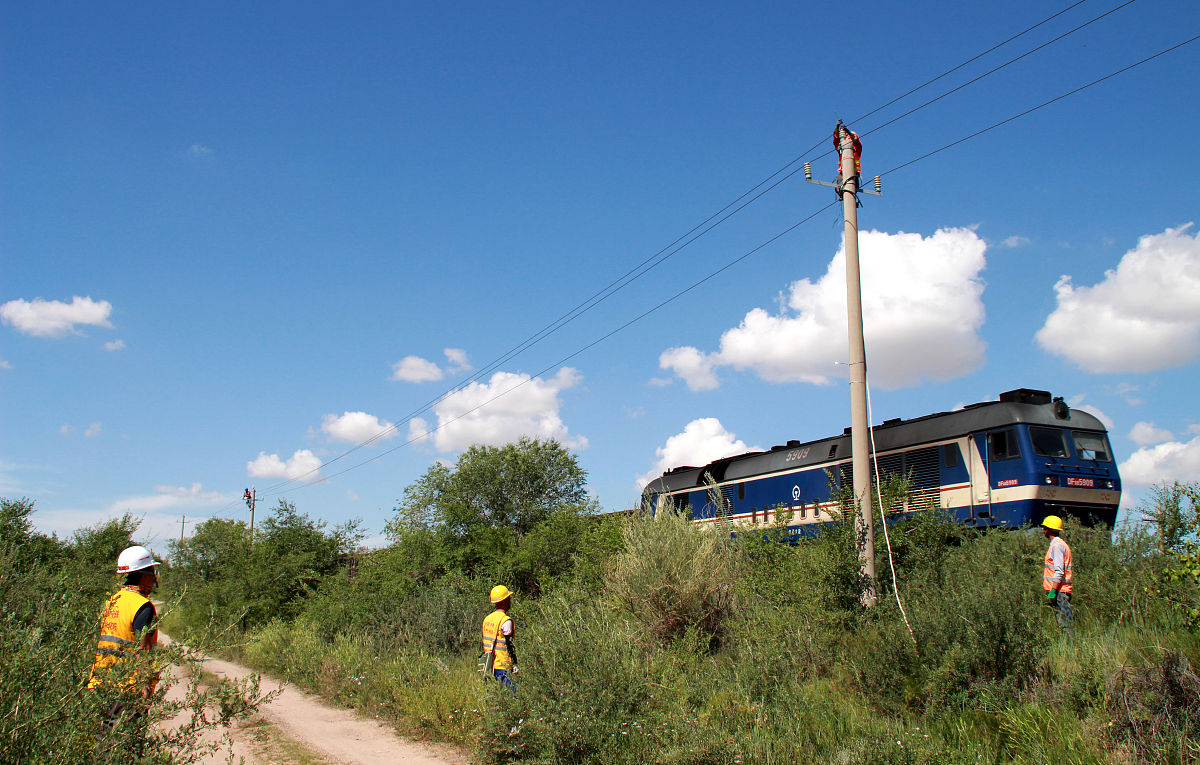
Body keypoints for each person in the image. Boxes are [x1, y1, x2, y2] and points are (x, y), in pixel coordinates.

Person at [88, 545, 162, 755]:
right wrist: (145, 690)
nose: (154, 577)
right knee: (127, 747)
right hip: (127, 689)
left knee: (102, 745)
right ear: (142, 575)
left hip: (101, 684)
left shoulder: (112, 601)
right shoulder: (143, 606)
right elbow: (142, 651)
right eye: (151, 571)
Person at [481, 585, 517, 689]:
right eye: (508, 599)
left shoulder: (487, 619)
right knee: (511, 697)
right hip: (503, 665)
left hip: (489, 665)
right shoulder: (505, 621)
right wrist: (514, 664)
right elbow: (509, 645)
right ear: (505, 601)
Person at [1041, 515, 1073, 629]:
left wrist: (1053, 591)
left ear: (1049, 529)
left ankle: (1069, 645)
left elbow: (1059, 571)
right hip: (1060, 590)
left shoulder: (1057, 546)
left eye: (1044, 528)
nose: (1043, 530)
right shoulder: (1059, 545)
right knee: (1062, 623)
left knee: (1065, 624)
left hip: (1060, 591)